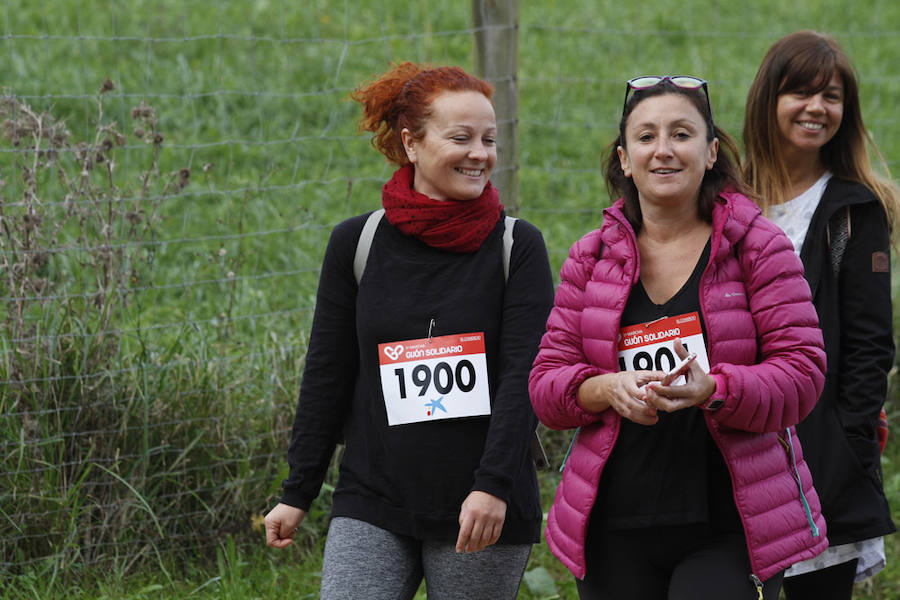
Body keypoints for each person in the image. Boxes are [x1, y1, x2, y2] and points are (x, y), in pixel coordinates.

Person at [528, 75, 829, 599]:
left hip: (733, 523)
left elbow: (802, 374)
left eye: (681, 134)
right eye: (645, 137)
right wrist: (604, 388)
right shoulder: (591, 257)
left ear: (711, 152)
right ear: (624, 158)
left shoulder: (759, 247)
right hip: (615, 525)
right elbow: (547, 386)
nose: (663, 150)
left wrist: (714, 388)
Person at [263, 61, 554, 600]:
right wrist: (297, 490)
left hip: (479, 506)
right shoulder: (357, 243)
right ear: (411, 144)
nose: (480, 154)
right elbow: (327, 372)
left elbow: (524, 378)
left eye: (489, 139)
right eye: (460, 137)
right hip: (374, 497)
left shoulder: (519, 247)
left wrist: (492, 488)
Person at [743, 30, 898, 599]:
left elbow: (870, 346)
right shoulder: (727, 198)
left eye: (831, 96)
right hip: (728, 445)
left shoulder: (856, 210)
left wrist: (846, 445)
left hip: (820, 459)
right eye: (801, 92)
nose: (816, 108)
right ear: (769, 99)